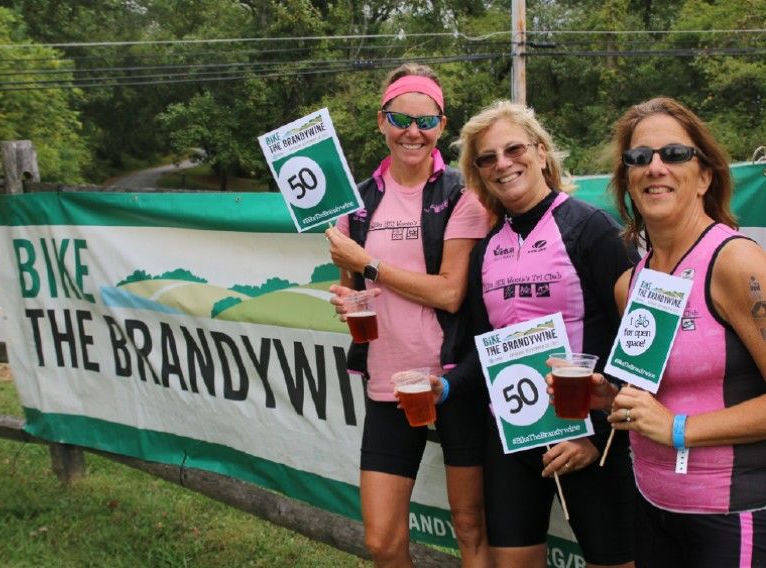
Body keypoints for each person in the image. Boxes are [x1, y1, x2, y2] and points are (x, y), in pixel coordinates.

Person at [448, 100, 637, 568]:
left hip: (587, 438)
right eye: (487, 158)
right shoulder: (488, 247)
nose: (502, 164)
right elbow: (483, 345)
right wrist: (446, 385)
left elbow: (635, 341)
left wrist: (594, 435)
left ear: (541, 152)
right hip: (513, 434)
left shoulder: (589, 227)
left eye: (513, 149)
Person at [324, 63, 492, 567]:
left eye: (426, 120)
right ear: (381, 122)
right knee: (382, 540)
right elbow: (352, 287)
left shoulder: (465, 193)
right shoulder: (355, 203)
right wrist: (346, 291)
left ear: (442, 125)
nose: (412, 132)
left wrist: (368, 264)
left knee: (469, 526)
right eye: (400, 118)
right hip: (389, 380)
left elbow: (450, 295)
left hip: (454, 376)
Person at [598, 96, 766, 567]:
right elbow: (658, 394)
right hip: (653, 507)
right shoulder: (631, 284)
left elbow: (672, 419)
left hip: (731, 513)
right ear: (627, 179)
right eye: (639, 157)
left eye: (674, 154)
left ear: (705, 176)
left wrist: (678, 429)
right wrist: (607, 396)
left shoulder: (736, 263)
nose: (655, 167)